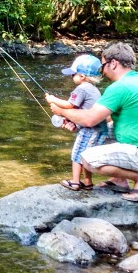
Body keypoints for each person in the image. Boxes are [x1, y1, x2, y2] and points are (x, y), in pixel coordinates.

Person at [46, 42, 138, 202]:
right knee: (97, 133)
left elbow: (90, 119)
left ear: (113, 63)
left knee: (87, 159)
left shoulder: (120, 87)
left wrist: (62, 111)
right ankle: (119, 180)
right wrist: (76, 123)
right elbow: (103, 119)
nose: (101, 71)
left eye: (103, 66)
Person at [44, 54, 110, 191]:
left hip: (91, 130)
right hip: (99, 129)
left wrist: (53, 99)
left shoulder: (82, 88)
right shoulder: (93, 89)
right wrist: (73, 123)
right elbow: (81, 109)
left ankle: (75, 182)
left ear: (82, 76)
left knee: (77, 154)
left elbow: (69, 105)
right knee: (87, 156)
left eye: (72, 74)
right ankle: (87, 182)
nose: (71, 77)